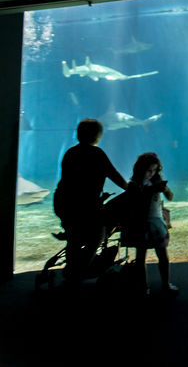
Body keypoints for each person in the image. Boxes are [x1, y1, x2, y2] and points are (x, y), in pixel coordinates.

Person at [53, 118, 128, 283]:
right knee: (97, 236)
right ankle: (81, 269)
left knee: (74, 237)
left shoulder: (70, 152)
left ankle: (71, 271)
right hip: (85, 206)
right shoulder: (97, 153)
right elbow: (114, 175)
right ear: (97, 136)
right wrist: (131, 189)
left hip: (63, 203)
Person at [121, 152, 177, 295]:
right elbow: (134, 204)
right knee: (140, 257)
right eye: (148, 170)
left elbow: (170, 197)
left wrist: (164, 189)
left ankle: (166, 283)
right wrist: (148, 192)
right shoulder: (133, 185)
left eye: (154, 170)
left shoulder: (156, 182)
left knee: (163, 255)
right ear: (140, 169)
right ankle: (143, 287)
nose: (151, 174)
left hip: (157, 223)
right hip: (141, 224)